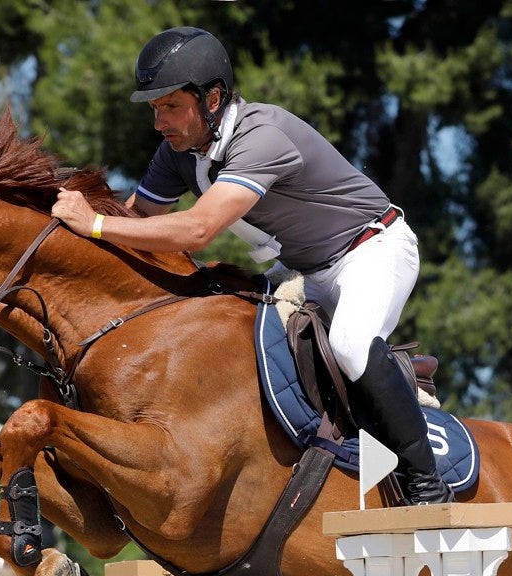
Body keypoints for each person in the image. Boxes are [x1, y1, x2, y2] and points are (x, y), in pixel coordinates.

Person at [51, 26, 452, 505]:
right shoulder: (178, 153)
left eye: (171, 106)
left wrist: (92, 223)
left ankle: (427, 479)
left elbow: (197, 229)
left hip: (374, 249)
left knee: (348, 345)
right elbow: (136, 222)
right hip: (309, 272)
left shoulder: (263, 136)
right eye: (155, 109)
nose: (159, 122)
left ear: (214, 98)